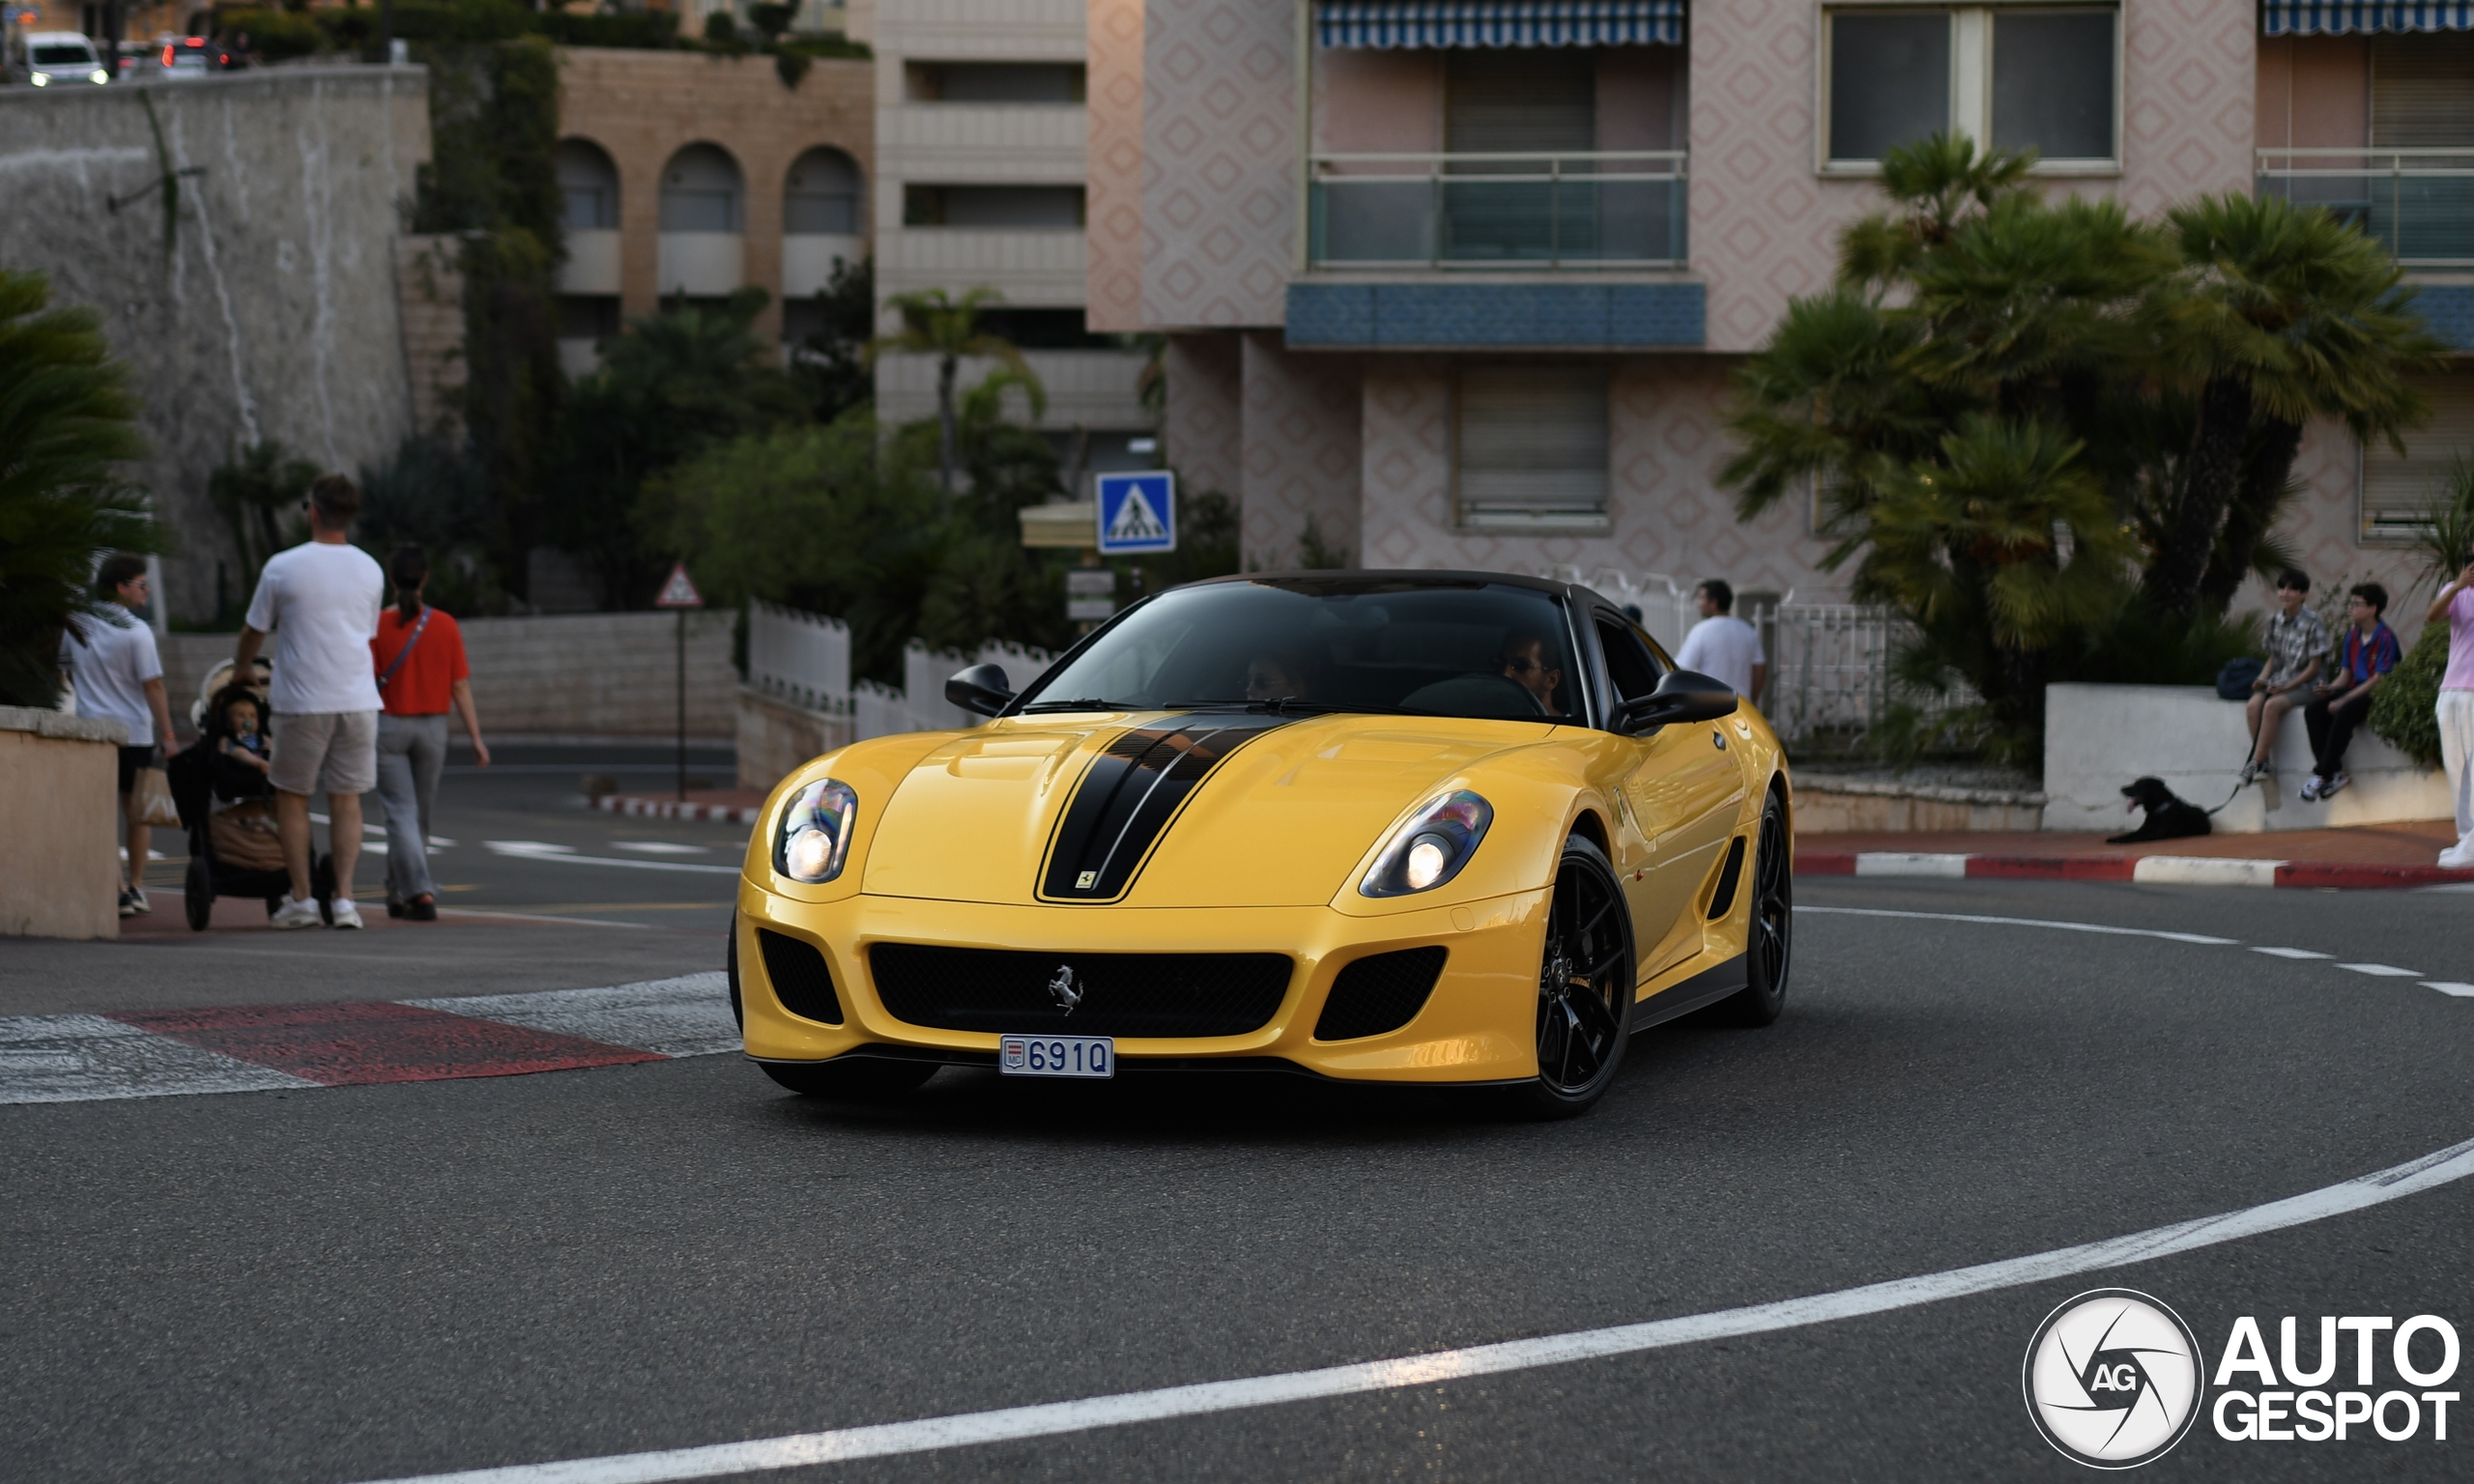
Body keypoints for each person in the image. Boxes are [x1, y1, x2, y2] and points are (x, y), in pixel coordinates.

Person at [230, 474, 386, 929]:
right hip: (358, 699)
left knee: (292, 797)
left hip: (303, 700)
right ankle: (344, 900)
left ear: (313, 512)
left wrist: (242, 668)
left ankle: (301, 900)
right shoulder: (371, 569)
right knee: (347, 799)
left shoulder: (283, 566)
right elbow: (366, 632)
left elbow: (253, 629)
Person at [368, 544, 488, 921]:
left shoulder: (375, 625)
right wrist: (476, 737)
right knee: (418, 816)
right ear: (426, 579)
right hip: (434, 730)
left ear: (391, 578)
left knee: (400, 814)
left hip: (389, 727)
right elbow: (461, 687)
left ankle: (417, 892)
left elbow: (365, 680)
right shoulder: (445, 625)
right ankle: (400, 891)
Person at [57, 554, 179, 917]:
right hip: (134, 732)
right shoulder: (137, 632)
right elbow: (153, 686)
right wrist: (169, 734)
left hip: (92, 729)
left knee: (102, 814)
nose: (147, 592)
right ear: (121, 588)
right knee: (137, 813)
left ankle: (117, 888)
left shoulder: (78, 623)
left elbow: (67, 669)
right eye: (142, 585)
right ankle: (137, 886)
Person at [2300, 583, 2400, 804]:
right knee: (2314, 711)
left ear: (2373, 608)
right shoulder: (2352, 637)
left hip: (2377, 693)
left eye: (2357, 604)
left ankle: (2321, 773)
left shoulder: (2385, 638)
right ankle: (2334, 772)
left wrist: (2344, 698)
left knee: (2344, 710)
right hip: (2354, 689)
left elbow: (2378, 679)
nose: (2350, 608)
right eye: (2350, 603)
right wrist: (2331, 689)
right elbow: (2345, 675)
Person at [2241, 570, 2327, 789]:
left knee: (2272, 706)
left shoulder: (2313, 622)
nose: (2285, 593)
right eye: (2282, 588)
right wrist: (2262, 679)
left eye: (2292, 589)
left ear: (2303, 594)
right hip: (2280, 680)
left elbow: (2315, 666)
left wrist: (2288, 686)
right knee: (2253, 706)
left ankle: (2255, 762)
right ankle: (2264, 764)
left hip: (2307, 685)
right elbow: (2273, 658)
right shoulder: (2274, 621)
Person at [2429, 559, 2474, 869]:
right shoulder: (2456, 590)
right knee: (2456, 765)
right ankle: (2466, 837)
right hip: (2451, 689)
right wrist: (2458, 586)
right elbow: (2432, 617)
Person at [1674, 579, 1768, 700]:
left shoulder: (1701, 631)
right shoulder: (1748, 630)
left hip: (1711, 708)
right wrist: (1753, 699)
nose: (1699, 603)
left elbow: (1682, 670)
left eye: (1702, 599)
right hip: (1742, 707)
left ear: (1713, 603)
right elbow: (1760, 667)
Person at [1500, 633, 1565, 716]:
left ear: (1551, 680)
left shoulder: (1572, 728)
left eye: (1521, 665)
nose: (1505, 674)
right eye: (1501, 662)